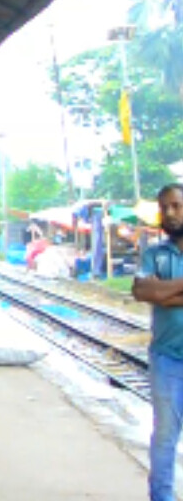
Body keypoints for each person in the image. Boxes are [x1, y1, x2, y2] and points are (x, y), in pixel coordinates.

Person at [135, 182, 183, 501]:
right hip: (167, 359)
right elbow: (141, 291)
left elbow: (155, 293)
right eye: (164, 206)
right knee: (165, 434)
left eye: (176, 205)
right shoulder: (153, 253)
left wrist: (164, 291)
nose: (169, 212)